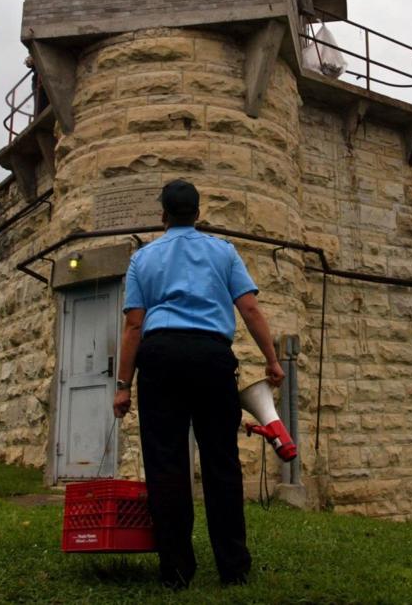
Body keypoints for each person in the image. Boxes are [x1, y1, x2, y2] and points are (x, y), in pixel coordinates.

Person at [113, 179, 284, 589]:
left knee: (166, 464)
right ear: (198, 212)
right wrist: (272, 360)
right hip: (211, 357)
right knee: (221, 462)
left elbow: (134, 325)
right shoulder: (223, 251)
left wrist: (123, 385)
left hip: (161, 357)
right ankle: (233, 568)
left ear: (163, 215)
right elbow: (249, 307)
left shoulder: (143, 258)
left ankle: (175, 571)